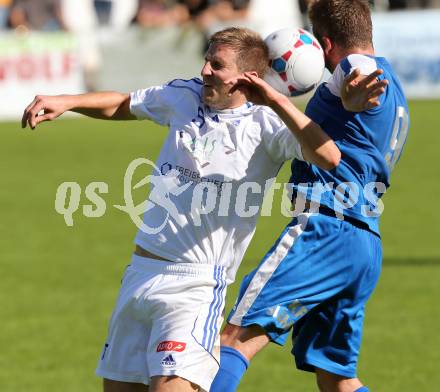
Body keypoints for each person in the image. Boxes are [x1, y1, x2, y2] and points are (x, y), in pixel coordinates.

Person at [22, 25, 379, 392]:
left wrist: (276, 101)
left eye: (217, 65)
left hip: (195, 287)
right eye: (207, 60)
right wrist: (66, 101)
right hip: (140, 274)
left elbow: (330, 156)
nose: (205, 70)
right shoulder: (185, 95)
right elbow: (123, 103)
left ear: (247, 78)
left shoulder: (268, 126)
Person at [210, 1, 409, 392]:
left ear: (323, 43)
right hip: (364, 243)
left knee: (231, 342)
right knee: (337, 378)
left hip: (325, 231)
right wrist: (351, 100)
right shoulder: (397, 89)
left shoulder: (357, 71)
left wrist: (352, 95)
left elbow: (356, 76)